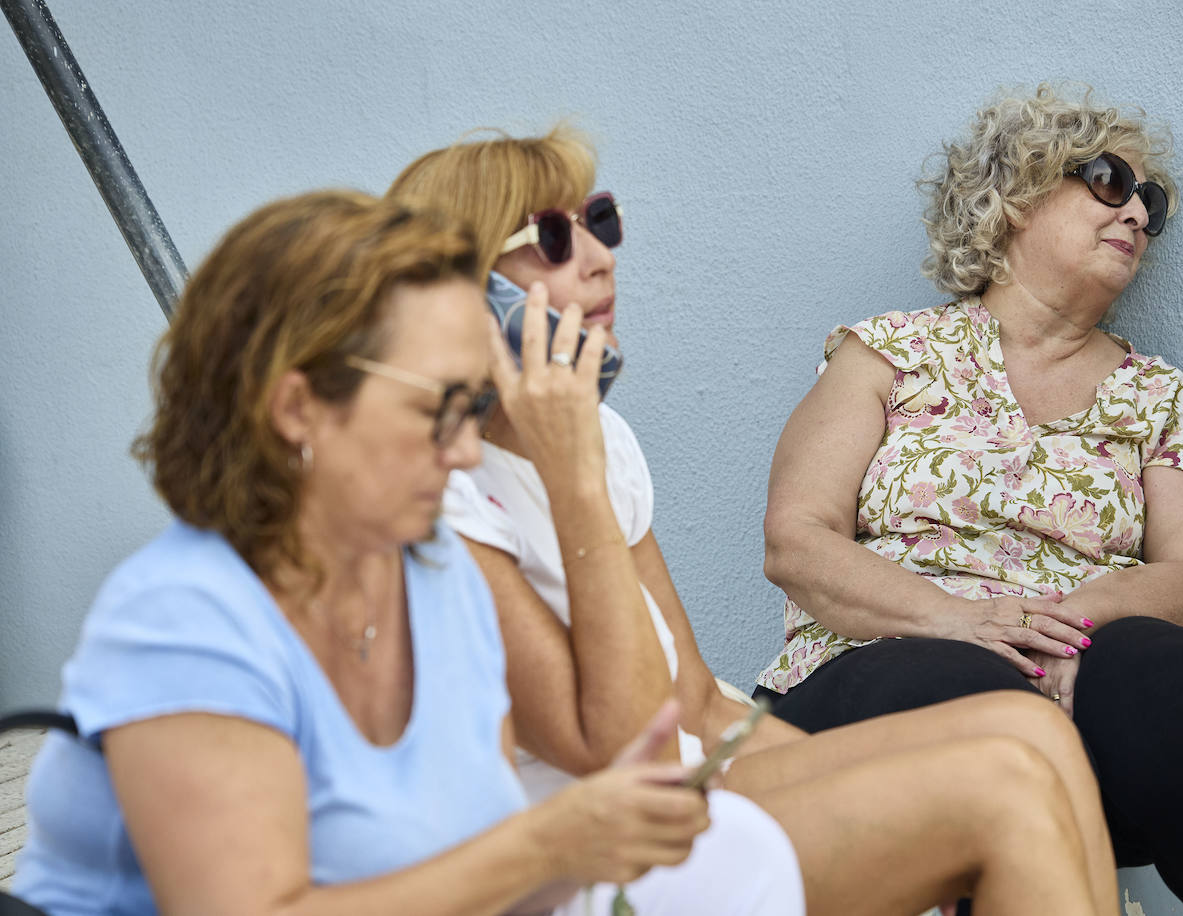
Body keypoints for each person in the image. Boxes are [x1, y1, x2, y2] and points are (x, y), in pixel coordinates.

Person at [11, 189, 806, 916]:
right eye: (442, 408)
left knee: (744, 857)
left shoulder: (433, 574)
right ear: (297, 407)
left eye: (477, 404)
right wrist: (552, 843)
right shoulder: (183, 618)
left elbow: (473, 880)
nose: (467, 452)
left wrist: (605, 842)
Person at [389, 129, 1118, 915]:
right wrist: (572, 479)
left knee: (1027, 731)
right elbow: (621, 747)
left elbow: (696, 703)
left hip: (699, 781)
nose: (600, 257)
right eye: (554, 238)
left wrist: (878, 793)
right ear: (465, 292)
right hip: (594, 847)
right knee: (1000, 787)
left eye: (600, 221)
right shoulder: (442, 492)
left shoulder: (604, 441)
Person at [754, 84, 1183, 915]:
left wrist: (1077, 623)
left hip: (1079, 682)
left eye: (1153, 202)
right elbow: (798, 541)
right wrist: (957, 619)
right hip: (882, 674)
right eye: (1109, 181)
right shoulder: (887, 353)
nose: (1138, 214)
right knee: (968, 690)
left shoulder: (1159, 396)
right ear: (1014, 198)